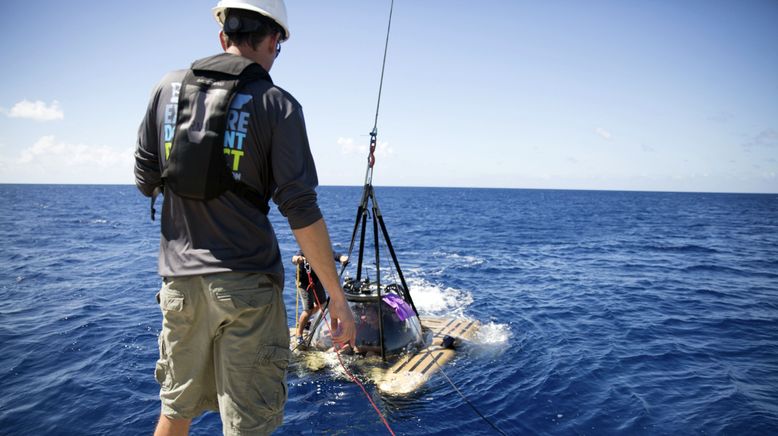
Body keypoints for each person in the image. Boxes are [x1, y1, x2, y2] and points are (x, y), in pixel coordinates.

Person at [134, 1, 356, 435]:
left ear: (224, 37)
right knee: (249, 426)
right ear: (273, 40)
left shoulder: (166, 88)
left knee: (175, 412)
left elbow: (145, 177)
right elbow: (300, 209)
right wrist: (336, 298)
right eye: (279, 49)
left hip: (179, 286)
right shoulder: (278, 105)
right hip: (247, 292)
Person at [292, 250, 349, 345]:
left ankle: (308, 321)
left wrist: (341, 258)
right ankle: (299, 335)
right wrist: (297, 259)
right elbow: (294, 258)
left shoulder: (319, 248)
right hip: (303, 283)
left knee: (323, 304)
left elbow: (333, 254)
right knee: (308, 309)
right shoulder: (304, 250)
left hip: (316, 280)